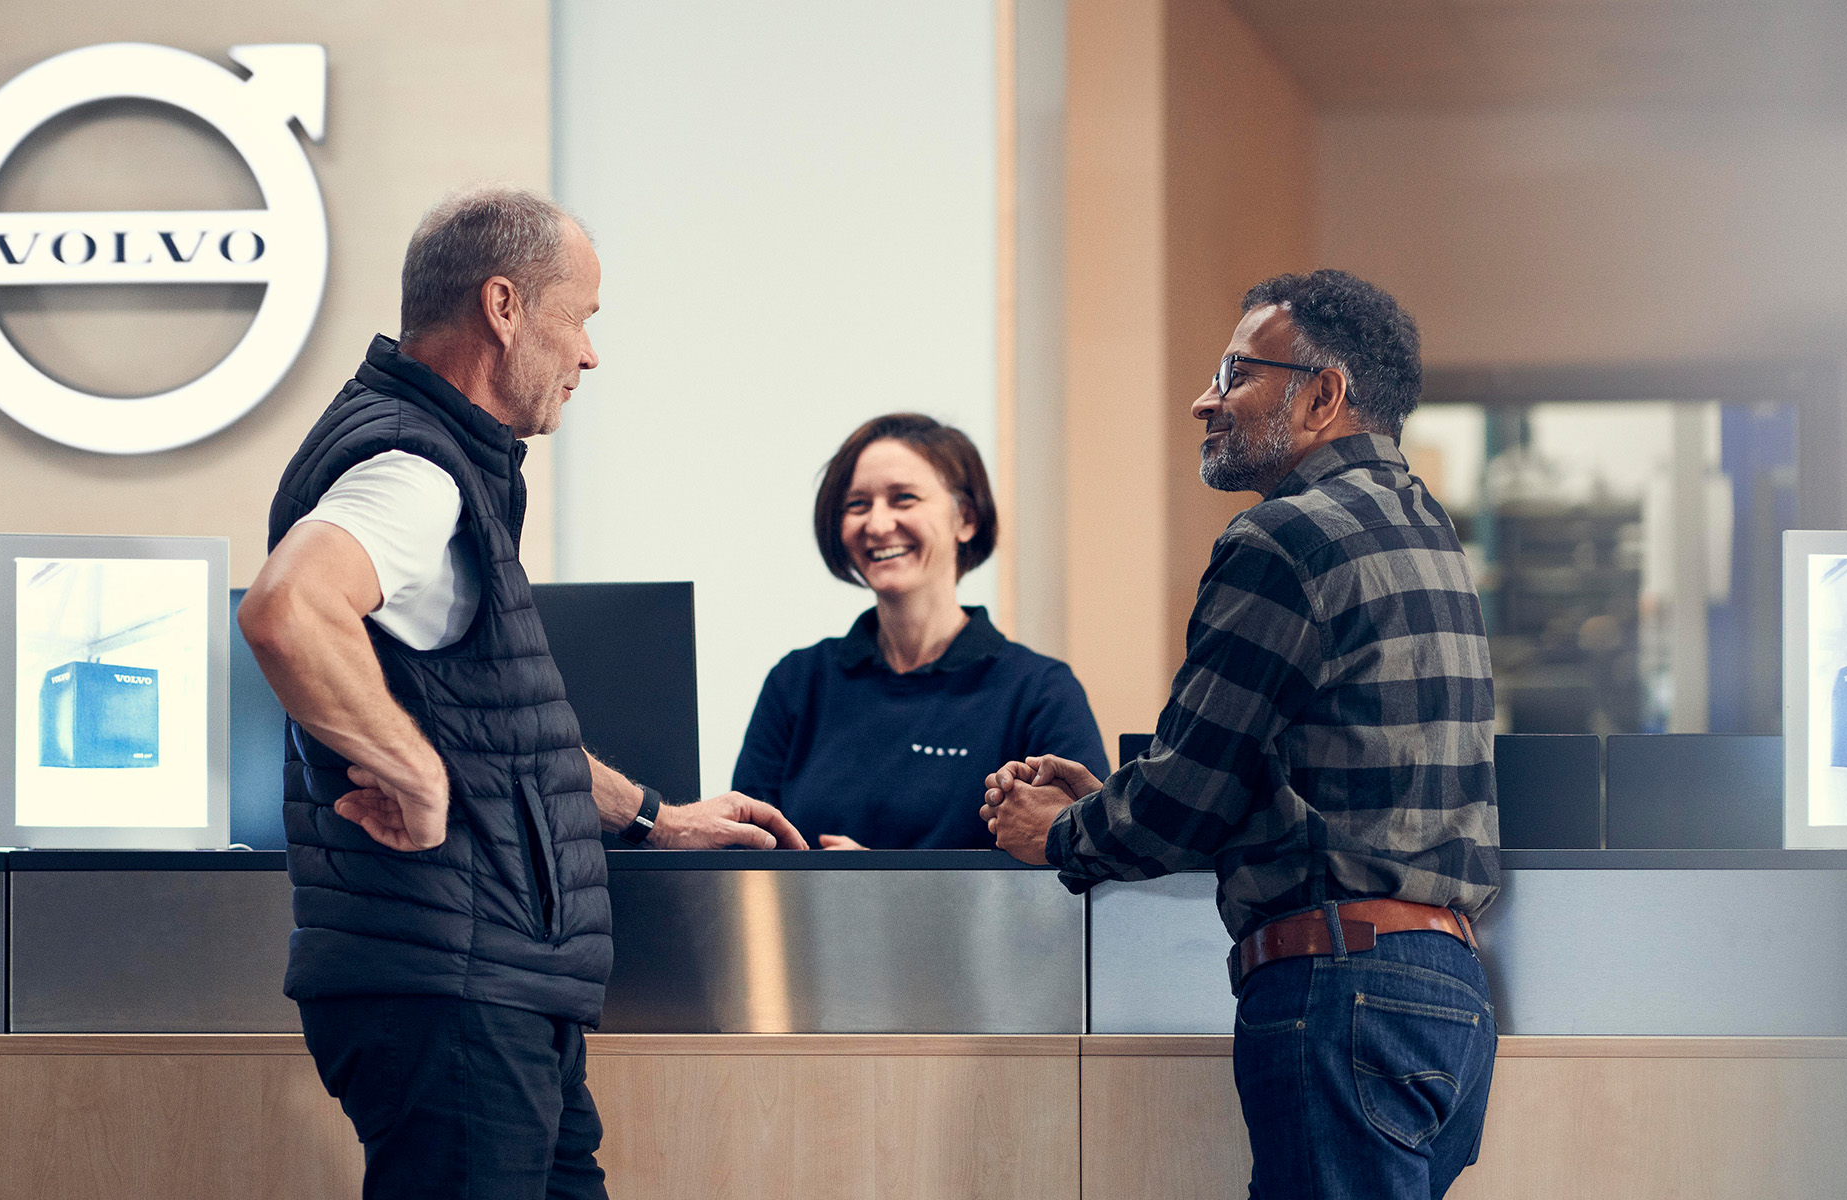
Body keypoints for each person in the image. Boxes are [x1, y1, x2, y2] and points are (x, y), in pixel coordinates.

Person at [238, 185, 805, 1200]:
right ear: (503, 308)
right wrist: (408, 770)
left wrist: (656, 819)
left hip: (490, 982)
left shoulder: (449, 463)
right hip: (451, 986)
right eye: (579, 317)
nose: (590, 354)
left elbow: (503, 742)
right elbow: (286, 608)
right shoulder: (413, 468)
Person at [981, 270, 1500, 1200]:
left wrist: (1058, 832)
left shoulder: (1284, 539)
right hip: (1446, 997)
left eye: (1235, 372)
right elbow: (1325, 771)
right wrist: (1112, 798)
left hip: (1339, 989)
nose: (1203, 400)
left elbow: (1189, 796)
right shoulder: (1422, 529)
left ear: (1323, 396)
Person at [733, 413, 1107, 849]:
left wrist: (880, 885)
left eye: (903, 499)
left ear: (965, 518)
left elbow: (1078, 861)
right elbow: (745, 860)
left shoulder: (1039, 691)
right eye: (857, 505)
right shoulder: (796, 683)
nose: (877, 524)